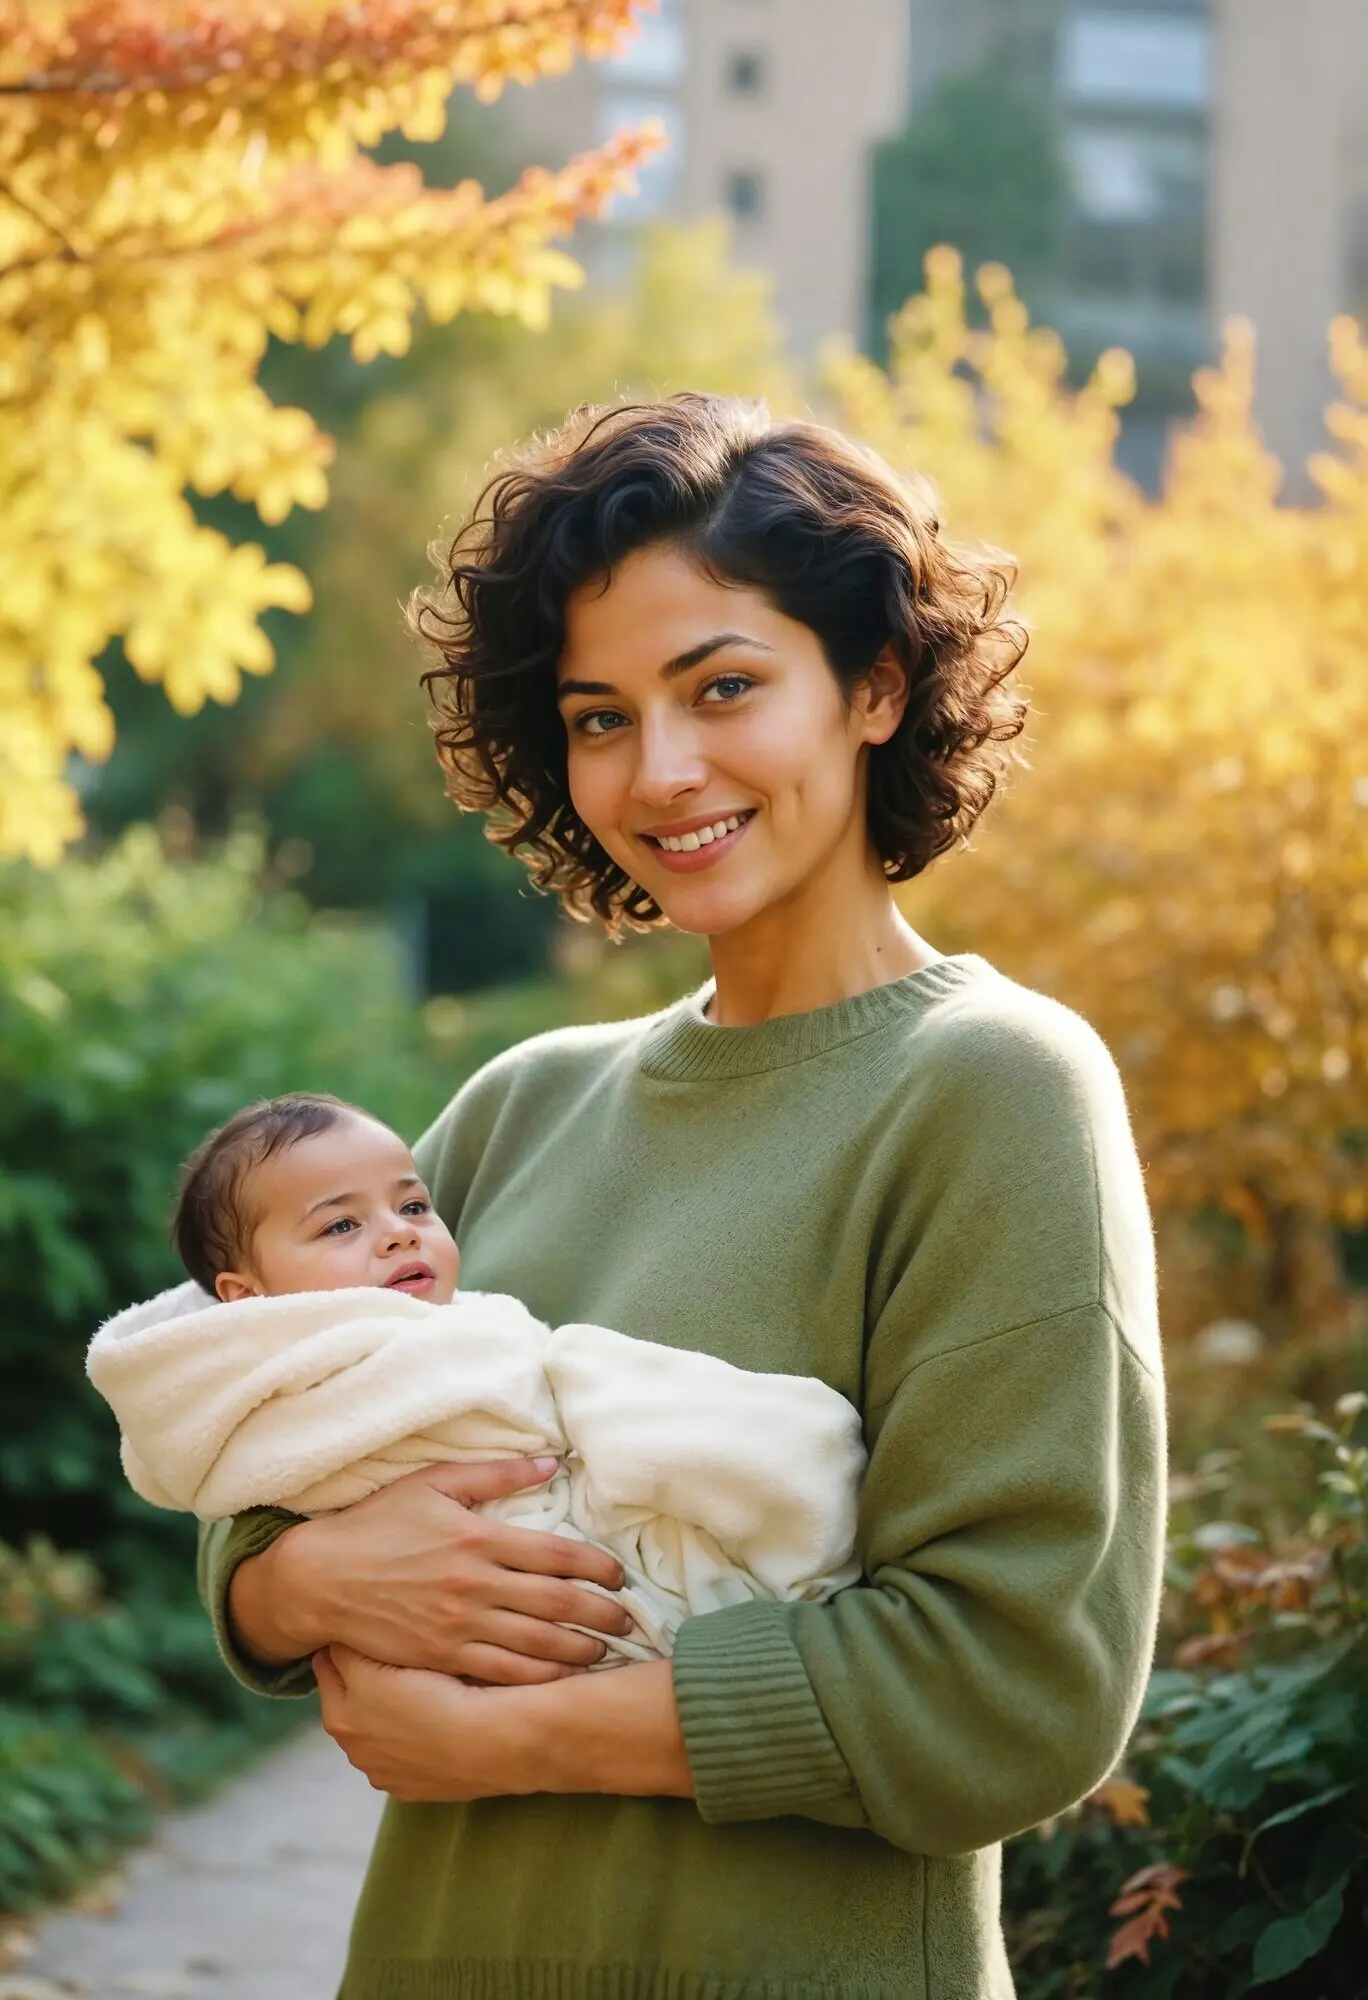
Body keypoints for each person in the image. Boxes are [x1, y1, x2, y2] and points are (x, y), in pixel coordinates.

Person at [199, 394, 1166, 2000]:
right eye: (599, 717)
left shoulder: (994, 1090)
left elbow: (1014, 1690)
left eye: (724, 688)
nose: (660, 771)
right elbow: (264, 1427)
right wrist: (289, 1582)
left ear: (876, 685)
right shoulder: (520, 1108)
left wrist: (513, 1738)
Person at [88, 1091, 863, 1658]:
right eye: (342, 1224)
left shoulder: (459, 1319)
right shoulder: (273, 1381)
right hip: (533, 1576)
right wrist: (300, 1585)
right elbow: (243, 1506)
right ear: (247, 1298)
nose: (398, 1234)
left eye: (413, 1207)